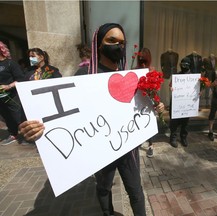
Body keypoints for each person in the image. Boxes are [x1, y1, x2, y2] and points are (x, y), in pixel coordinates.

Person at [19, 23, 164, 216]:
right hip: (100, 147)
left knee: (135, 190)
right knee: (104, 187)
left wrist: (157, 107)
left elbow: (140, 106)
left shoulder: (130, 75)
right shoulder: (84, 75)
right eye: (111, 40)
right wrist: (35, 127)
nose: (118, 46)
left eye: (122, 42)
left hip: (128, 145)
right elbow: (62, 115)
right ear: (99, 43)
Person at [0, 41, 25, 145]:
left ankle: (25, 136)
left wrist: (8, 86)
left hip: (12, 96)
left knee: (17, 116)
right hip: (1, 97)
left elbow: (20, 79)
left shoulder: (11, 63)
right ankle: (13, 134)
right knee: (6, 116)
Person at [169, 57, 192, 148]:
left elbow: (198, 89)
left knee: (185, 122)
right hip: (177, 102)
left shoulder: (193, 77)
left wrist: (199, 91)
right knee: (174, 121)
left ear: (189, 66)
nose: (184, 66)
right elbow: (171, 85)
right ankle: (173, 137)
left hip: (187, 103)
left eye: (186, 65)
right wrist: (171, 88)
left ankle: (183, 137)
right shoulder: (176, 76)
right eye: (182, 65)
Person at [136, 47, 155, 158]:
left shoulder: (151, 70)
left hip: (148, 99)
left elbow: (155, 87)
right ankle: (139, 141)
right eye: (140, 58)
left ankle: (151, 145)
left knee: (150, 121)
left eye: (144, 58)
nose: (142, 60)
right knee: (139, 119)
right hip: (138, 100)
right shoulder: (134, 70)